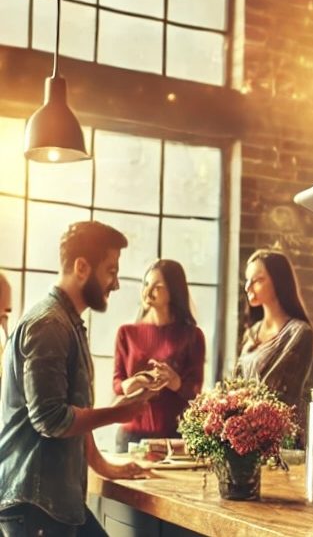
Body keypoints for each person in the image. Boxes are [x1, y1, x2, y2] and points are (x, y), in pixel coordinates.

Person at [0, 221, 157, 536]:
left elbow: (74, 410)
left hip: (56, 503)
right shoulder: (49, 325)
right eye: (110, 271)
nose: (115, 284)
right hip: (34, 506)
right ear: (82, 267)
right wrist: (119, 413)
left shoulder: (68, 324)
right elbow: (51, 420)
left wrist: (104, 467)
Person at [112, 259, 206, 453]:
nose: (148, 291)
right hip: (130, 436)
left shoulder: (193, 336)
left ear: (173, 291)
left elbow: (195, 391)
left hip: (175, 437)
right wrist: (128, 385)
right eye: (146, 284)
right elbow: (117, 382)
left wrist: (175, 382)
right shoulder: (126, 333)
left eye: (157, 286)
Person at [236, 249, 313, 442]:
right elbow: (236, 383)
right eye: (247, 280)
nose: (248, 287)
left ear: (278, 282)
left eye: (258, 280)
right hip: (245, 437)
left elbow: (278, 391)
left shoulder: (299, 332)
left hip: (281, 440)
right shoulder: (251, 332)